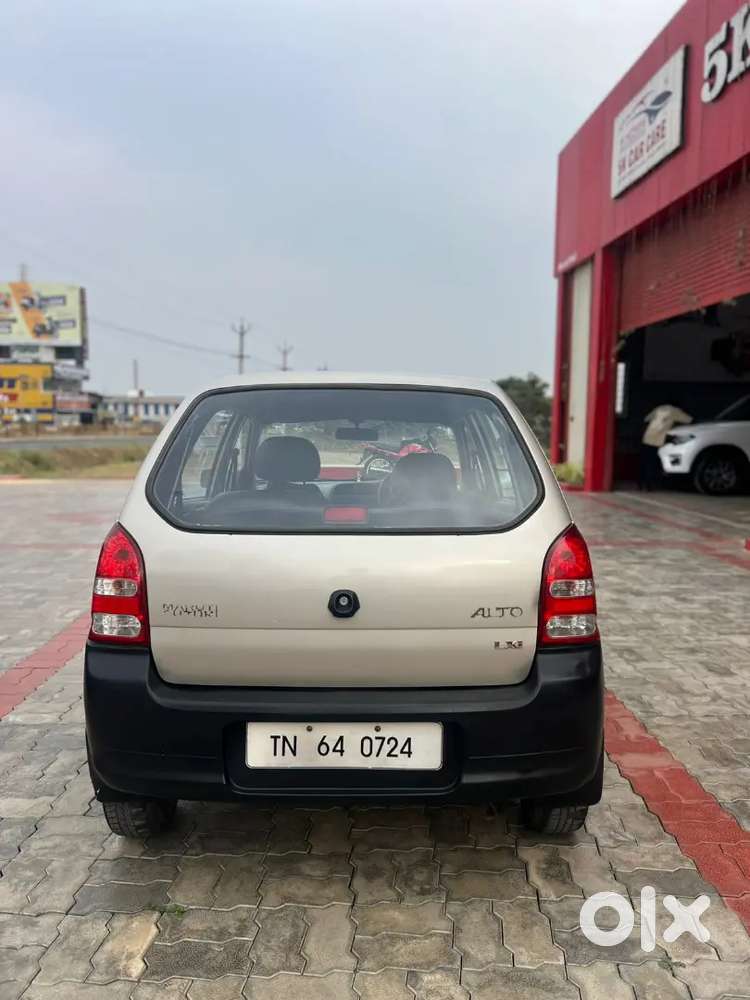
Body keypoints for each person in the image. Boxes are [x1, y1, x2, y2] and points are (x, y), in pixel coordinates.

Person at [639, 403, 692, 490]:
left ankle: (641, 483)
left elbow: (646, 419)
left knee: (645, 461)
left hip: (647, 436)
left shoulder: (658, 408)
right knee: (652, 462)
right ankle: (649, 485)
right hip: (657, 439)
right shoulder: (675, 411)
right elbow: (689, 420)